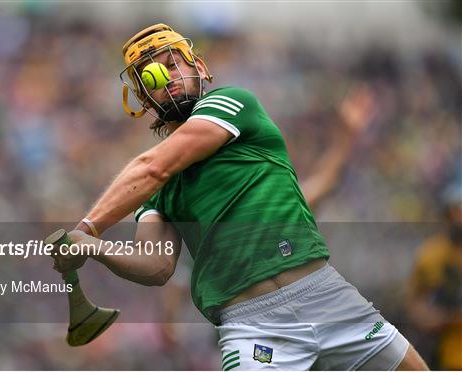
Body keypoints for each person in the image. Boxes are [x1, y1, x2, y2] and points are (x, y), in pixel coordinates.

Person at [52, 24, 428, 370]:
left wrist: (89, 227)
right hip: (252, 329)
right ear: (142, 100)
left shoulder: (231, 103)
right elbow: (157, 267)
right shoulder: (156, 192)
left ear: (198, 66)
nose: (167, 79)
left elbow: (154, 167)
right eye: (153, 78)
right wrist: (89, 247)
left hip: (326, 297)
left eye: (173, 64)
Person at [407, 176, 462, 370]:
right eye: (454, 212)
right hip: (442, 352)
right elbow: (415, 305)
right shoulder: (429, 255)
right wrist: (437, 318)